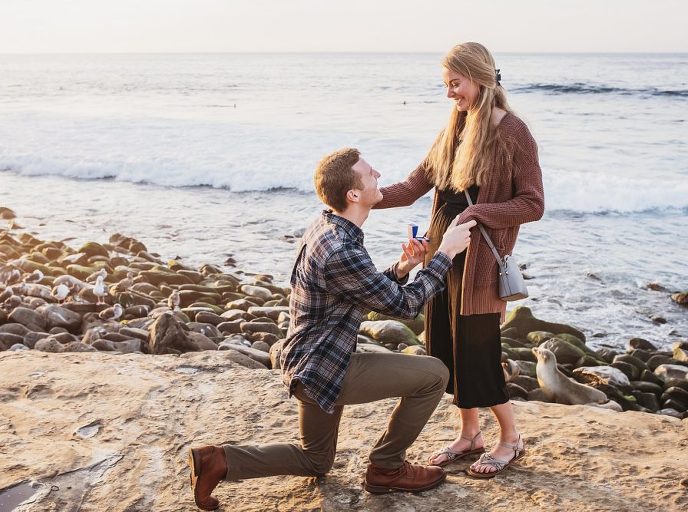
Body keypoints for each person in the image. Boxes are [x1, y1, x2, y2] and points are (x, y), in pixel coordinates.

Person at [188, 147, 476, 510]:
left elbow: (360, 289)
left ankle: (218, 460)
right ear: (353, 195)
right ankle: (387, 468)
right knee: (434, 374)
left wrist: (403, 268)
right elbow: (406, 306)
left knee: (316, 460)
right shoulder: (342, 249)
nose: (380, 175)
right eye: (371, 174)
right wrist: (446, 255)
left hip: (308, 362)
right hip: (325, 367)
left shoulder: (327, 227)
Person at [373, 42, 544, 478]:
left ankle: (510, 438)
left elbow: (533, 202)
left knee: (479, 354)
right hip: (442, 259)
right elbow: (413, 186)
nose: (450, 93)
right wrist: (359, 199)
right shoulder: (454, 128)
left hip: (481, 267)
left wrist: (476, 212)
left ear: (480, 79)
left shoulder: (513, 132)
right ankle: (470, 435)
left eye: (456, 83)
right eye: (446, 84)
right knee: (446, 351)